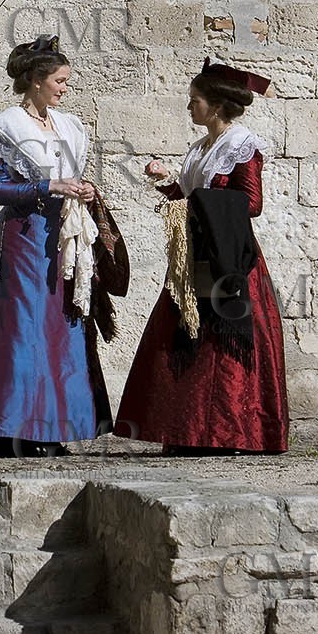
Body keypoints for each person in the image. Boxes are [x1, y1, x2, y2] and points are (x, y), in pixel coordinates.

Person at [0, 36, 112, 457]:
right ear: (34, 80)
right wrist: (49, 184)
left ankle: (52, 429)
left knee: (61, 331)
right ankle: (16, 429)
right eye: (59, 81)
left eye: (66, 81)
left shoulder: (68, 126)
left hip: (64, 238)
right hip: (24, 241)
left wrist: (82, 190)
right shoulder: (7, 126)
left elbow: (69, 177)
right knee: (24, 331)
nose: (65, 88)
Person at [115, 60, 289, 454]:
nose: (188, 107)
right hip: (195, 254)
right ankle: (188, 431)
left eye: (194, 100)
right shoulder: (200, 149)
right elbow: (190, 201)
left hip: (228, 255)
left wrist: (196, 201)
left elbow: (251, 202)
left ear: (216, 105)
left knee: (222, 341)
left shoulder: (242, 146)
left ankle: (230, 433)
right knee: (184, 335)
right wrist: (169, 185)